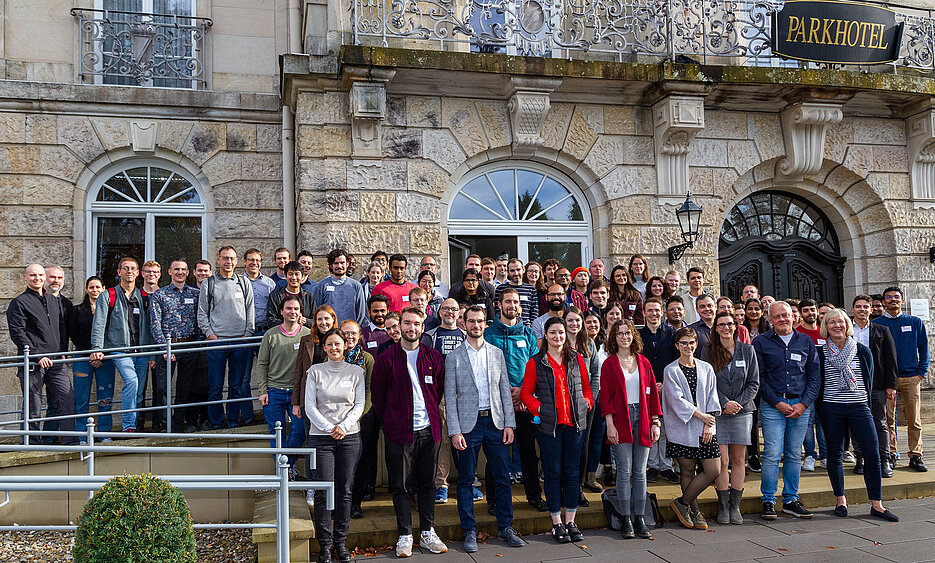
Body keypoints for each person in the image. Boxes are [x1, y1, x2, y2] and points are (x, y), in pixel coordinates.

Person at [446, 306, 526, 552]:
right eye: (471, 321)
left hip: (495, 422)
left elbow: (504, 390)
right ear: (464, 323)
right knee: (467, 480)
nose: (476, 325)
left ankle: (506, 527)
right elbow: (449, 397)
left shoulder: (496, 353)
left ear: (485, 324)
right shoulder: (454, 356)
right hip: (468, 425)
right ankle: (469, 530)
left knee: (501, 477)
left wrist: (509, 423)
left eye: (480, 321)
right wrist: (455, 431)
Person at [371, 307, 448, 557]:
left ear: (422, 327)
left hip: (429, 432)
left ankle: (427, 532)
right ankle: (405, 534)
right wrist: (392, 423)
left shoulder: (434, 357)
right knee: (401, 486)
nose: (411, 328)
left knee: (427, 485)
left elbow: (437, 391)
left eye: (416, 324)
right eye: (407, 323)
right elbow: (378, 397)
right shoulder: (387, 358)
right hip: (399, 433)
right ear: (399, 326)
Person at [817, 309, 899, 523]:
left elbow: (868, 378)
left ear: (847, 324)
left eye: (841, 322)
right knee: (834, 455)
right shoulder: (820, 352)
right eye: (831, 322)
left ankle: (877, 504)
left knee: (872, 454)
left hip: (859, 407)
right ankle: (840, 499)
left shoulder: (862, 350)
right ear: (826, 326)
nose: (837, 325)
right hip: (832, 408)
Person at [520, 316, 593, 544]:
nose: (557, 337)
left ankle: (571, 521)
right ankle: (557, 523)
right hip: (549, 427)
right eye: (552, 333)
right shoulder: (535, 362)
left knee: (572, 474)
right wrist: (539, 409)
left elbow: (587, 388)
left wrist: (586, 403)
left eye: (560, 332)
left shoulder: (577, 359)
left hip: (575, 425)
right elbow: (525, 393)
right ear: (546, 335)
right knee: (552, 474)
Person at [753, 301, 820, 520]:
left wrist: (804, 403)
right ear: (770, 320)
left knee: (794, 454)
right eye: (777, 317)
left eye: (786, 315)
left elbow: (814, 377)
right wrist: (776, 402)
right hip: (773, 406)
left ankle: (791, 499)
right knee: (772, 454)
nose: (782, 319)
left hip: (800, 405)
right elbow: (759, 379)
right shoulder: (761, 342)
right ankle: (769, 501)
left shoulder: (806, 342)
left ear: (794, 316)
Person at [304, 328, 366, 562]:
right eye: (329, 344)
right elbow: (310, 406)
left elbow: (359, 405)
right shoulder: (315, 372)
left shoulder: (356, 372)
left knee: (345, 491)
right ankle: (325, 546)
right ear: (324, 346)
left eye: (338, 344)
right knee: (323, 492)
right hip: (321, 438)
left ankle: (341, 543)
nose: (334, 348)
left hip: (349, 437)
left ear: (345, 346)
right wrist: (330, 428)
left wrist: (343, 426)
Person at [484, 288, 548, 513]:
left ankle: (533, 496)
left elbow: (535, 367)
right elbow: (485, 369)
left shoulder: (529, 334)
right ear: (499, 304)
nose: (512, 305)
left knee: (529, 453)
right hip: (498, 405)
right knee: (497, 455)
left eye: (516, 302)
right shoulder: (488, 334)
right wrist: (505, 392)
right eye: (508, 301)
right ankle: (494, 500)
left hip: (524, 403)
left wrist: (523, 392)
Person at [602, 319, 662, 539]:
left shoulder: (643, 361)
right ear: (614, 337)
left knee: (640, 472)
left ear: (633, 336)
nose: (624, 337)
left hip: (644, 417)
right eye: (620, 334)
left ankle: (639, 517)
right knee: (624, 471)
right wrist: (610, 424)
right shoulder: (609, 363)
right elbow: (606, 397)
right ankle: (625, 517)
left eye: (628, 333)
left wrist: (656, 422)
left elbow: (653, 395)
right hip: (621, 418)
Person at [7, 264, 77, 443]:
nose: (37, 278)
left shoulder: (54, 301)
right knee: (33, 405)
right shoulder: (19, 303)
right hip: (32, 363)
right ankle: (31, 444)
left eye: (39, 275)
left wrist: (62, 351)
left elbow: (61, 328)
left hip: (56, 362)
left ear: (44, 277)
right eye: (32, 275)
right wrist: (37, 356)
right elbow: (18, 333)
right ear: (25, 277)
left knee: (67, 399)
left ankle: (71, 441)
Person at [663, 327, 720, 531]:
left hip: (705, 427)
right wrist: (701, 415)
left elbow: (713, 397)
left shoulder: (706, 368)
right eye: (684, 343)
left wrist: (708, 422)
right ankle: (694, 511)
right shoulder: (671, 370)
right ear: (677, 345)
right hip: (682, 428)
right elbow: (676, 401)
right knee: (687, 470)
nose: (688, 346)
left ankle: (682, 503)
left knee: (714, 470)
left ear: (697, 344)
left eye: (692, 342)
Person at [707, 312, 759, 525]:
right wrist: (723, 403)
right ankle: (723, 504)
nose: (726, 328)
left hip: (742, 411)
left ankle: (735, 505)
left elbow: (754, 383)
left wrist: (737, 403)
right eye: (721, 325)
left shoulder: (748, 350)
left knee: (738, 460)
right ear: (716, 328)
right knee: (722, 461)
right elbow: (707, 381)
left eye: (729, 324)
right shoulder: (708, 351)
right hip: (718, 412)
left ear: (736, 327)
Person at [90, 257, 153, 432]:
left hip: (141, 351)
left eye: (133, 268)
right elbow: (99, 324)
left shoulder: (143, 297)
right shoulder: (107, 295)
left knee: (139, 392)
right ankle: (129, 427)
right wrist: (97, 349)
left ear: (138, 272)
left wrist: (152, 354)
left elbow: (149, 328)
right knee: (131, 381)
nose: (130, 271)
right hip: (120, 350)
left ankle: (135, 424)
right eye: (125, 268)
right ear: (119, 272)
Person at [197, 246, 255, 429]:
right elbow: (202, 312)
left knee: (236, 387)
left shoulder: (243, 282)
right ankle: (216, 424)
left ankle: (232, 422)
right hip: (217, 343)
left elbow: (250, 310)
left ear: (236, 261)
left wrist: (248, 333)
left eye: (231, 258)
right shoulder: (209, 283)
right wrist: (209, 334)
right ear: (218, 260)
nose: (228, 262)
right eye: (225, 258)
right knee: (215, 388)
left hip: (240, 341)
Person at [873, 286, 929, 472]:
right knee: (887, 419)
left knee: (914, 420)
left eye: (896, 297)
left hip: (911, 377)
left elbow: (924, 349)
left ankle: (916, 455)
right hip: (886, 380)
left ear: (902, 301)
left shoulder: (914, 322)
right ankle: (890, 454)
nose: (893, 300)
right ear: (884, 302)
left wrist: (922, 372)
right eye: (888, 297)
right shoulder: (877, 324)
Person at [419, 297, 466, 506]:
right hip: (439, 394)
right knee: (443, 441)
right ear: (439, 312)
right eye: (446, 308)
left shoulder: (466, 335)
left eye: (454, 309)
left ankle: (468, 481)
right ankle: (442, 485)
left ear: (459, 314)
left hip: (463, 394)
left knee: (466, 439)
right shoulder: (430, 336)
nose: (449, 312)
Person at [256, 296, 309, 476]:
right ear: (281, 311)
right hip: (274, 391)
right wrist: (262, 390)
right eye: (288, 308)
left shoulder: (307, 335)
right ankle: (284, 469)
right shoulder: (271, 335)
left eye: (295, 309)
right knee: (276, 431)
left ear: (300, 312)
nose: (292, 312)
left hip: (297, 394)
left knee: (299, 429)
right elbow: (262, 364)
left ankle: (287, 464)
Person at [149, 260, 202, 433]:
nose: (180, 272)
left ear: (188, 273)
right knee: (163, 389)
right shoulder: (160, 294)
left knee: (184, 388)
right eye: (176, 269)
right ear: (169, 272)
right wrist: (165, 348)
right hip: (167, 348)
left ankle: (178, 424)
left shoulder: (195, 294)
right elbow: (155, 324)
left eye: (183, 270)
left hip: (189, 345)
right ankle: (165, 426)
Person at [851, 294, 898, 478]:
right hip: (852, 385)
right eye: (858, 306)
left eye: (865, 307)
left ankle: (883, 459)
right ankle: (860, 457)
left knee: (880, 422)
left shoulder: (882, 330)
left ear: (871, 310)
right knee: (856, 422)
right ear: (853, 309)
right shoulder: (847, 330)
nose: (862, 310)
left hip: (877, 385)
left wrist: (891, 385)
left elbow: (891, 359)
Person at [638, 297, 679, 484]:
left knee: (667, 427)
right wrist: (651, 383)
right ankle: (652, 465)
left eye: (657, 310)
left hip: (668, 386)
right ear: (644, 313)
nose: (654, 314)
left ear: (661, 312)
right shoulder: (638, 335)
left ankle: (667, 465)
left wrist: (663, 382)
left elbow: (676, 360)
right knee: (651, 425)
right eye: (650, 310)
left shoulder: (671, 334)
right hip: (645, 387)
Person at [564, 307, 601, 502]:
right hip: (563, 405)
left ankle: (577, 488)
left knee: (582, 446)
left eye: (577, 320)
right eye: (570, 320)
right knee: (565, 446)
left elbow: (596, 373)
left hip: (585, 405)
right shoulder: (558, 343)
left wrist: (590, 399)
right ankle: (565, 488)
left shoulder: (589, 344)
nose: (574, 324)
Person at [67, 276, 110, 436]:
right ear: (86, 289)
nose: (95, 290)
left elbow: (111, 334)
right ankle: (81, 434)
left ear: (103, 289)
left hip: (105, 359)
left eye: (98, 287)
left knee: (105, 398)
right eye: (91, 287)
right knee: (81, 398)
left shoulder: (110, 310)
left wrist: (100, 354)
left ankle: (105, 433)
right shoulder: (77, 310)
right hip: (83, 358)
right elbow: (74, 335)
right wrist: (91, 354)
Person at [344, 319, 378, 519]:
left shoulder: (367, 359)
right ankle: (340, 504)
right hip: (339, 419)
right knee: (342, 463)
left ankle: (356, 503)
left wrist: (359, 414)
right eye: (345, 333)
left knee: (361, 460)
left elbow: (370, 390)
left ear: (359, 336)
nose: (349, 337)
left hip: (364, 416)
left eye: (353, 334)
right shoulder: (332, 357)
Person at [243, 248, 277, 426]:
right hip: (246, 334)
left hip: (265, 332)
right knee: (243, 378)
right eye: (250, 260)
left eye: (257, 260)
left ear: (261, 262)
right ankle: (247, 417)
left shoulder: (270, 283)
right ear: (244, 262)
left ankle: (269, 415)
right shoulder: (239, 282)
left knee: (270, 374)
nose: (254, 263)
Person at [314, 249, 367, 326]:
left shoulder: (356, 286)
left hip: (349, 333)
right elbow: (317, 310)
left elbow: (361, 313)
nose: (339, 266)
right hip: (329, 332)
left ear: (347, 264)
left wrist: (353, 328)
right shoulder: (322, 286)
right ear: (331, 265)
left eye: (342, 263)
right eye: (336, 263)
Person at [267, 261, 316, 328]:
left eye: (297, 274)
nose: (294, 278)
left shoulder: (309, 296)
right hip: (281, 335)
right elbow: (270, 320)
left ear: (302, 277)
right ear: (285, 276)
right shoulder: (275, 296)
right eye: (290, 274)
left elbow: (315, 320)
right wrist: (289, 322)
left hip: (304, 335)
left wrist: (305, 321)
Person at [495, 258, 537, 327]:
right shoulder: (500, 289)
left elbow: (534, 311)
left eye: (518, 270)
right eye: (512, 271)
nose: (516, 273)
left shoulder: (531, 289)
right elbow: (497, 310)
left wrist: (531, 327)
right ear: (507, 272)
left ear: (523, 270)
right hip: (505, 328)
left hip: (525, 329)